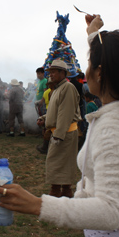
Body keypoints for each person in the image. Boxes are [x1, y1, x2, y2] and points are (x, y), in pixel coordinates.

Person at [0, 14, 119, 237]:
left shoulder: (111, 129)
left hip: (115, 233)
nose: (84, 72)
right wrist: (93, 34)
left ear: (100, 72)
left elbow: (110, 211)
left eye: (88, 64)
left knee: (59, 169)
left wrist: (37, 205)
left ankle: (59, 193)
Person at [37, 59, 81, 198]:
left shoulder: (67, 87)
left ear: (63, 73)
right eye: (50, 72)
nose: (51, 75)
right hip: (60, 132)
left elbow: (65, 114)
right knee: (60, 162)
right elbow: (55, 110)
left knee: (58, 161)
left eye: (54, 71)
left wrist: (59, 135)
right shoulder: (58, 88)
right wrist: (44, 118)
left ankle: (58, 191)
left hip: (64, 133)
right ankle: (63, 191)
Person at [36, 78, 56, 154]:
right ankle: (46, 147)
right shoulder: (49, 92)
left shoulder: (54, 92)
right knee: (48, 130)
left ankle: (45, 148)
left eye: (50, 84)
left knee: (49, 131)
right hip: (50, 111)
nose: (49, 86)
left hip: (53, 112)